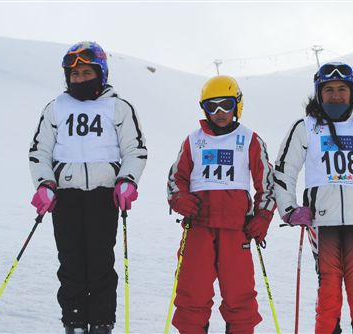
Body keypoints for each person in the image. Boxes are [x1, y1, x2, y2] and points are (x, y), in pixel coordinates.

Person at [274, 62, 353, 334]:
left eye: (342, 89)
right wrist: (289, 208)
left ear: (352, 91)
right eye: (329, 89)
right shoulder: (306, 127)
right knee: (329, 287)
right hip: (322, 222)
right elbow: (284, 171)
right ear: (319, 93)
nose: (336, 95)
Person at [28, 41, 147, 334]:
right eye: (74, 74)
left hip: (103, 195)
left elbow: (135, 149)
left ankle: (102, 324)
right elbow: (39, 151)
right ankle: (75, 322)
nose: (79, 78)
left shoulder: (118, 107)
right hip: (65, 196)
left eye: (85, 72)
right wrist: (44, 183)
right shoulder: (55, 107)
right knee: (70, 263)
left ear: (100, 72)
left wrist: (127, 180)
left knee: (101, 263)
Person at [167, 75, 276, 334]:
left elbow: (266, 182)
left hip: (236, 230)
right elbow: (176, 178)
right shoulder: (193, 140)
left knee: (240, 296)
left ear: (237, 105)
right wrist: (180, 198)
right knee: (192, 294)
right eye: (211, 106)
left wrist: (263, 215)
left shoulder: (249, 139)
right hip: (199, 227)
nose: (219, 113)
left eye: (225, 105)